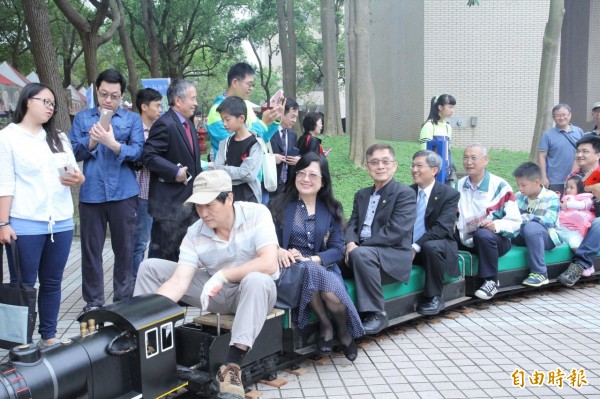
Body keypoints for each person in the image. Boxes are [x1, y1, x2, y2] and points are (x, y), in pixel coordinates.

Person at [133, 170, 278, 399]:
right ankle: (140, 339)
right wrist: (148, 311)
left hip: (255, 293)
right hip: (216, 293)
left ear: (229, 198)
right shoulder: (195, 232)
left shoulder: (256, 213)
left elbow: (269, 262)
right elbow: (179, 281)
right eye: (198, 206)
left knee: (256, 279)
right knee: (150, 267)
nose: (203, 213)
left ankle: (231, 367)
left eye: (209, 205)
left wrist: (223, 275)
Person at [0, 83, 85, 346]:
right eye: (45, 102)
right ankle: (20, 341)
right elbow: (5, 182)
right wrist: (3, 222)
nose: (50, 107)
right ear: (27, 101)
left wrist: (78, 178)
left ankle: (49, 335)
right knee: (23, 286)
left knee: (52, 282)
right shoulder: (8, 137)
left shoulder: (58, 136)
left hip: (59, 221)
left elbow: (73, 172)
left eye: (52, 104)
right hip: (24, 223)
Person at [269, 153, 363, 360]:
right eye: (301, 173)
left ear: (323, 181)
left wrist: (313, 259)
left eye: (313, 175)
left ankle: (338, 328)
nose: (305, 179)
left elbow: (338, 249)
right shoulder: (279, 205)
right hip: (291, 269)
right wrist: (279, 250)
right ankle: (329, 326)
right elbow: (266, 238)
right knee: (306, 271)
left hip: (324, 266)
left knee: (327, 290)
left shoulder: (332, 208)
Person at [69, 69, 144, 312]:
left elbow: (139, 153)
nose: (108, 101)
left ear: (122, 95)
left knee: (125, 249)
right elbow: (71, 153)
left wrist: (113, 144)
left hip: (124, 193)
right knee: (91, 251)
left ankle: (123, 300)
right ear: (96, 91)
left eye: (114, 95)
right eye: (103, 94)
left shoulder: (131, 120)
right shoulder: (82, 119)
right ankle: (94, 303)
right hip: (91, 193)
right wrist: (91, 141)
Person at [344, 144, 416, 334]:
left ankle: (377, 313)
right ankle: (338, 312)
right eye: (374, 162)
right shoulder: (362, 195)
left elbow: (396, 231)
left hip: (391, 256)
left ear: (395, 166)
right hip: (362, 252)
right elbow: (352, 223)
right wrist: (351, 243)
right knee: (331, 256)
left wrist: (360, 248)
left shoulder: (405, 194)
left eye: (385, 162)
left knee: (361, 254)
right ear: (368, 167)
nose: (380, 166)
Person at [143, 79, 202, 262]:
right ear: (178, 100)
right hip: (168, 208)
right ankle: (156, 291)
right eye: (192, 98)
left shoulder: (188, 124)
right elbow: (148, 155)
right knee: (163, 258)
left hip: (187, 206)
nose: (195, 103)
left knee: (183, 256)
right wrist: (175, 172)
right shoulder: (165, 124)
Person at [455, 144, 521, 300]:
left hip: (495, 240)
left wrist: (497, 225)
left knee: (483, 234)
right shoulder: (458, 185)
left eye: (473, 158)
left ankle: (491, 281)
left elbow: (516, 221)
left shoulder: (500, 186)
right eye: (465, 158)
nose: (468, 162)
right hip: (467, 237)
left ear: (485, 160)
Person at [409, 150, 460, 315]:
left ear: (434, 170)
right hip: (409, 246)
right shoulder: (406, 193)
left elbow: (442, 228)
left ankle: (435, 297)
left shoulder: (449, 194)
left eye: (419, 166)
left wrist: (416, 246)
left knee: (430, 246)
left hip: (438, 244)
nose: (414, 169)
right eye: (413, 165)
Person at [206, 62, 282, 161]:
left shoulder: (246, 106)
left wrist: (275, 120)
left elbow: (262, 139)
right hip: (231, 173)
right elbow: (235, 147)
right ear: (235, 83)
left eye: (252, 85)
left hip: (252, 173)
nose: (251, 88)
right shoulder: (217, 111)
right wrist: (262, 124)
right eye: (249, 84)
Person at [558, 135, 600, 286]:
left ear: (598, 155)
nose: (580, 155)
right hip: (576, 221)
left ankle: (579, 265)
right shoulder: (574, 176)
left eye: (585, 151)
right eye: (578, 151)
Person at [511, 162, 562, 287]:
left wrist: (529, 217)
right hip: (525, 234)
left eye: (523, 185)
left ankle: (540, 273)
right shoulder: (519, 197)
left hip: (548, 236)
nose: (520, 189)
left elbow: (550, 220)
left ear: (537, 182)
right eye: (518, 185)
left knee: (531, 226)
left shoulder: (551, 197)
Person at [132, 88, 162, 282]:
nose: (160, 109)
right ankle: (135, 282)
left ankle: (149, 280)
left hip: (158, 193)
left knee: (155, 242)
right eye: (157, 105)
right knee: (139, 242)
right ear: (144, 107)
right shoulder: (133, 131)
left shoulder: (158, 130)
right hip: (140, 193)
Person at [214, 96, 263, 203]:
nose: (224, 124)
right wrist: (238, 172)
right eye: (222, 120)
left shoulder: (255, 143)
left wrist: (225, 169)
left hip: (248, 197)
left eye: (227, 119)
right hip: (226, 197)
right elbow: (217, 169)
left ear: (241, 118)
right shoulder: (225, 143)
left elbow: (248, 174)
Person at [538, 104, 584, 193]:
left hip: (576, 178)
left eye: (564, 115)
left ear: (570, 115)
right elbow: (542, 157)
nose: (561, 118)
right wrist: (543, 177)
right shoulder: (547, 135)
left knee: (574, 205)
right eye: (558, 116)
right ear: (553, 118)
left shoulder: (579, 131)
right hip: (555, 179)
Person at [419, 94, 457, 184]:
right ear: (440, 107)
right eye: (450, 107)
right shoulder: (429, 126)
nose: (452, 110)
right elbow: (424, 152)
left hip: (446, 170)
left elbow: (448, 151)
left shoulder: (448, 127)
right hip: (433, 171)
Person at [270, 97, 301, 194]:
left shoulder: (292, 135)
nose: (294, 120)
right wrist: (271, 159)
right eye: (292, 116)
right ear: (282, 113)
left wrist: (298, 160)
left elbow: (296, 152)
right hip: (271, 184)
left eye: (296, 117)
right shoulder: (268, 132)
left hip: (287, 186)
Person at [557, 175, 594, 251]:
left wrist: (568, 204)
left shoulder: (585, 198)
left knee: (574, 244)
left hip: (576, 231)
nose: (568, 190)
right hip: (563, 228)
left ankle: (583, 261)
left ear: (580, 188)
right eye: (567, 187)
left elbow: (584, 205)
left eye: (571, 187)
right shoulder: (565, 199)